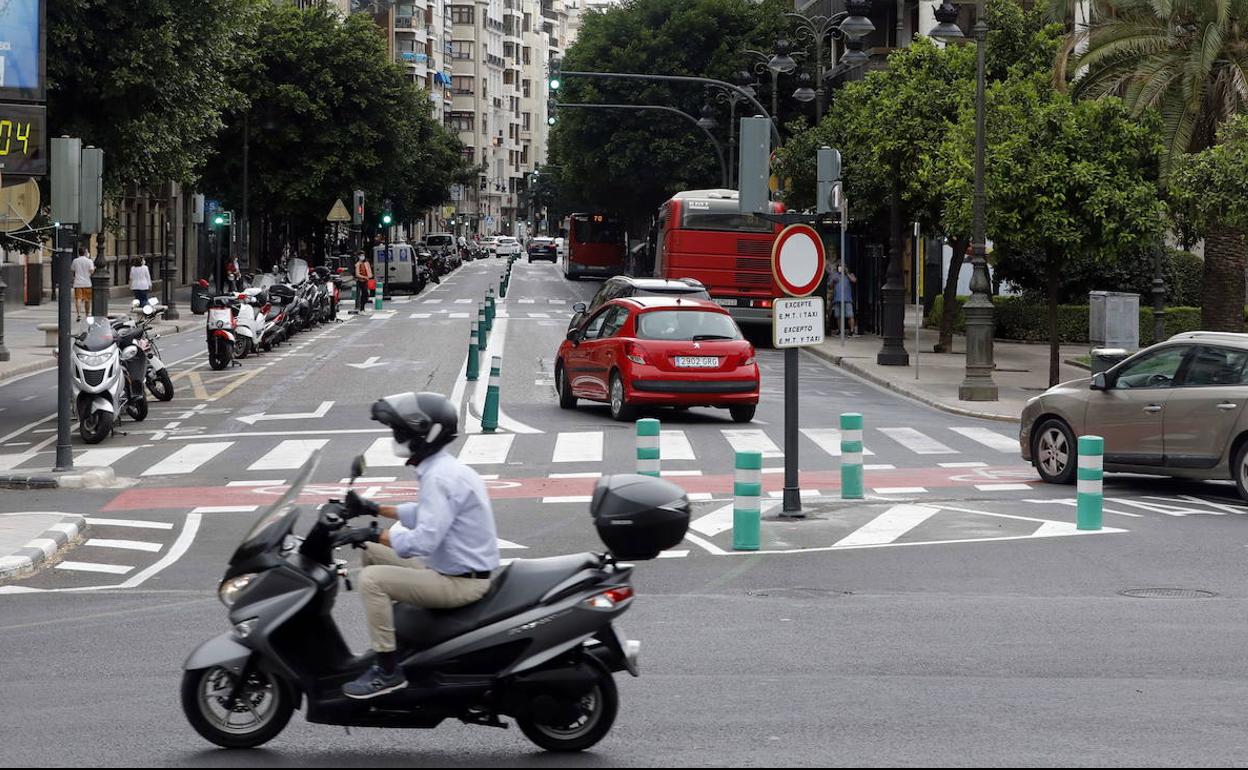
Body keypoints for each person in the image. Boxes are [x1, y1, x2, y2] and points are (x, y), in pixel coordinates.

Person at [340, 392, 499, 700]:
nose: (397, 436)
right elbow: (425, 513)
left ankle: (387, 669)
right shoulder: (443, 469)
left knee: (372, 580)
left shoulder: (440, 477)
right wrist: (372, 508)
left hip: (460, 584)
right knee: (372, 553)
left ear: (425, 435)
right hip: (453, 572)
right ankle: (403, 638)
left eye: (402, 431)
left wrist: (371, 534)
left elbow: (423, 540)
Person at [829, 261, 858, 336]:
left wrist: (847, 273)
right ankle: (840, 330)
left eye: (842, 266)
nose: (840, 268)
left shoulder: (849, 275)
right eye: (839, 266)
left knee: (850, 315)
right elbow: (830, 286)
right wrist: (833, 282)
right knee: (838, 316)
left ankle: (851, 331)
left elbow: (854, 280)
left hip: (847, 299)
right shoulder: (834, 275)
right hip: (837, 299)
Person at [71, 247, 95, 322]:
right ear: (85, 252)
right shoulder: (89, 261)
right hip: (87, 283)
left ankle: (78, 314)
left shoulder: (75, 260)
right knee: (87, 300)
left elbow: (72, 269)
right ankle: (87, 314)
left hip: (78, 282)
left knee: (78, 299)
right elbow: (91, 271)